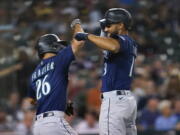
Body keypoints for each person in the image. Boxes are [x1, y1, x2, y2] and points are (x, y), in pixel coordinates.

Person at [73, 8, 138, 135]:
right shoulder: (128, 43)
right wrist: (101, 32)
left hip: (115, 102)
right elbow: (106, 47)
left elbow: (112, 46)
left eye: (109, 25)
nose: (106, 28)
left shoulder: (123, 41)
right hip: (125, 101)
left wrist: (87, 36)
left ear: (121, 25)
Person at [26, 21, 84, 135]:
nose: (60, 47)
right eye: (58, 45)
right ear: (52, 46)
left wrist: (58, 101)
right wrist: (77, 24)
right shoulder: (59, 60)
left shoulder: (34, 74)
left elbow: (31, 100)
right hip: (53, 123)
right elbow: (79, 41)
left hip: (38, 126)